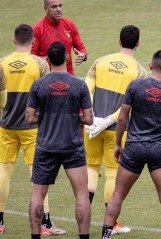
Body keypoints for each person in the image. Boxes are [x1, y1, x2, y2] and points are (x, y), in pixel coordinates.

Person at [101, 50, 161, 239]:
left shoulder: (136, 86)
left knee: (118, 195)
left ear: (150, 65)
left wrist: (118, 144)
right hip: (159, 150)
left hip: (134, 147)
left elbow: (122, 116)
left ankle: (105, 236)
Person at [0, 24, 65, 236]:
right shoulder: (40, 64)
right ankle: (45, 223)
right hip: (32, 127)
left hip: (7, 125)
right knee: (38, 175)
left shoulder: (2, 63)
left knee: (3, 171)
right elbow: (47, 93)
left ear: (13, 40)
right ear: (33, 41)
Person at [84, 25, 147, 235]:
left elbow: (86, 89)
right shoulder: (139, 72)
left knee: (91, 168)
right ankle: (112, 223)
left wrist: (93, 118)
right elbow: (129, 106)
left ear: (118, 41)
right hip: (117, 130)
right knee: (112, 173)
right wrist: (106, 121)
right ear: (138, 43)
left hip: (91, 127)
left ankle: (83, 214)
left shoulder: (100, 61)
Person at [26, 42, 93, 239]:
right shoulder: (79, 85)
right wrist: (72, 117)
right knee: (81, 193)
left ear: (47, 59)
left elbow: (29, 118)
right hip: (72, 146)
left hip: (46, 145)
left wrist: (46, 116)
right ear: (67, 58)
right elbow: (89, 119)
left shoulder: (39, 85)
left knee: (38, 194)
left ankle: (35, 236)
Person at [32, 0, 87, 75]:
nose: (58, 9)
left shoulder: (69, 24)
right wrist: (44, 60)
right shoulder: (37, 29)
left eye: (60, 6)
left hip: (68, 76)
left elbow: (81, 47)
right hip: (46, 78)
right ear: (46, 9)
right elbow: (30, 56)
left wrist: (83, 55)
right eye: (54, 7)